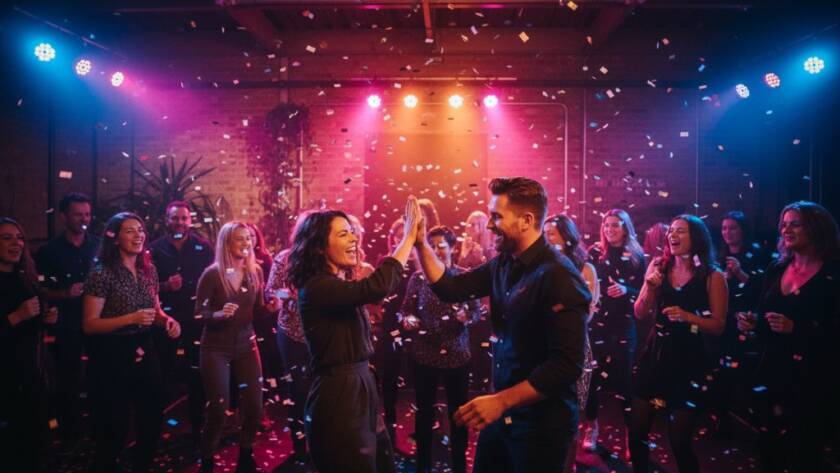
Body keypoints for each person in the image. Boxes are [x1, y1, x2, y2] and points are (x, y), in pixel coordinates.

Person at [414, 177, 591, 473]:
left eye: (497, 217)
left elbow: (566, 365)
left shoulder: (559, 277)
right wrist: (420, 243)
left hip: (541, 425)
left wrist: (501, 402)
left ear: (526, 220)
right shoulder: (504, 262)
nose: (491, 225)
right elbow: (451, 287)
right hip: (504, 416)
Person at [287, 199, 421, 473]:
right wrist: (409, 237)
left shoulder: (336, 283)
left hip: (360, 387)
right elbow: (378, 286)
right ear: (319, 246)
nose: (354, 238)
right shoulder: (316, 287)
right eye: (343, 233)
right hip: (339, 395)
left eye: (352, 231)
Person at [737, 201, 840, 473]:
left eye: (795, 223)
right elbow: (763, 315)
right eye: (783, 224)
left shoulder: (833, 273)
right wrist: (753, 323)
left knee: (805, 454)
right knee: (769, 450)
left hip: (813, 377)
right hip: (772, 371)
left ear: (816, 228)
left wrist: (799, 329)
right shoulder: (776, 268)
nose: (786, 229)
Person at [82, 212, 181, 473]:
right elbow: (89, 324)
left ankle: (142, 465)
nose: (138, 235)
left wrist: (168, 321)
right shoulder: (102, 273)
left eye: (140, 230)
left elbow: (156, 312)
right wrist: (131, 318)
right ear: (114, 238)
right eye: (130, 231)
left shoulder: (149, 270)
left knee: (152, 411)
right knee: (115, 420)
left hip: (145, 346)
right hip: (112, 350)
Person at [631, 214, 727, 473]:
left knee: (679, 440)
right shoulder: (658, 266)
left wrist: (688, 317)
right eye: (671, 230)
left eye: (681, 231)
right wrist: (650, 288)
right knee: (636, 430)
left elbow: (718, 325)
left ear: (696, 238)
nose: (673, 235)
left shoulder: (712, 276)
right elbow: (639, 312)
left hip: (689, 361)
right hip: (655, 355)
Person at [194, 221, 279, 473]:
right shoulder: (212, 274)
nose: (246, 243)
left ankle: (245, 453)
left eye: (248, 238)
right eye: (239, 239)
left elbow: (258, 311)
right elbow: (199, 314)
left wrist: (271, 308)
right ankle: (207, 458)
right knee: (219, 407)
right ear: (226, 243)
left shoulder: (256, 272)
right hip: (215, 348)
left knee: (254, 405)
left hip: (246, 344)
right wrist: (218, 314)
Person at [400, 225, 481, 473]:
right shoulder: (418, 278)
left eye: (440, 246)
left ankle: (459, 466)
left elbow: (477, 311)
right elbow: (406, 310)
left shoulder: (463, 276)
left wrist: (466, 315)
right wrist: (407, 320)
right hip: (425, 354)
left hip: (457, 354)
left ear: (453, 248)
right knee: (424, 414)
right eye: (431, 246)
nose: (435, 251)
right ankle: (423, 466)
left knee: (459, 413)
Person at [35, 192, 100, 450]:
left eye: (87, 214)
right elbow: (39, 289)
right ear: (63, 216)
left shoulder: (98, 245)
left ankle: (98, 428)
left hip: (97, 322)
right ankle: (70, 433)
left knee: (99, 375)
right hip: (67, 322)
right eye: (78, 214)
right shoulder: (49, 251)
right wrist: (64, 293)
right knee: (68, 378)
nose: (84, 219)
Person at [149, 200, 214, 442]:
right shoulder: (154, 250)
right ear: (167, 219)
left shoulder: (203, 247)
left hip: (195, 320)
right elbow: (143, 286)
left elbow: (212, 280)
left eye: (184, 218)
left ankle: (198, 427)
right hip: (164, 320)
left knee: (197, 374)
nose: (179, 222)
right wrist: (166, 285)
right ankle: (156, 429)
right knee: (162, 373)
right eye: (175, 218)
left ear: (190, 221)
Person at [584, 209, 646, 454]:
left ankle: (631, 432)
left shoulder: (637, 256)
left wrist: (626, 290)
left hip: (623, 324)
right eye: (606, 225)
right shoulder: (594, 252)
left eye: (615, 226)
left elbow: (645, 292)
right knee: (592, 380)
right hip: (596, 325)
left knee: (624, 382)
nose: (610, 230)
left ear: (625, 228)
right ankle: (592, 427)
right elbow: (584, 280)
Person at [544, 214, 601, 473]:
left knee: (570, 411)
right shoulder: (541, 266)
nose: (546, 238)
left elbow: (586, 313)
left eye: (551, 233)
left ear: (567, 238)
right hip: (543, 347)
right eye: (544, 233)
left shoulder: (585, 270)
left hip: (575, 346)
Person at [1, 217, 58, 472]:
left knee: (32, 442)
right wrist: (16, 317)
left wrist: (46, 319)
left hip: (30, 373)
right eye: (7, 238)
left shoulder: (26, 278)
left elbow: (33, 327)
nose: (16, 244)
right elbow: (16, 320)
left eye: (19, 238)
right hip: (5, 377)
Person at [712, 210, 770, 435]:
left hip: (748, 321)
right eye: (725, 228)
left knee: (746, 373)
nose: (728, 232)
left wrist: (740, 273)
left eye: (732, 227)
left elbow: (762, 290)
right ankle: (722, 418)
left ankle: (754, 420)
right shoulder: (719, 256)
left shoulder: (757, 255)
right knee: (721, 372)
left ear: (743, 230)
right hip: (725, 320)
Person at [265, 210, 316, 461]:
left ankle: (320, 444)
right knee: (298, 391)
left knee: (321, 390)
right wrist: (291, 295)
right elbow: (271, 292)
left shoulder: (328, 260)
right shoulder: (285, 258)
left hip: (322, 336)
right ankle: (299, 449)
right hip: (291, 334)